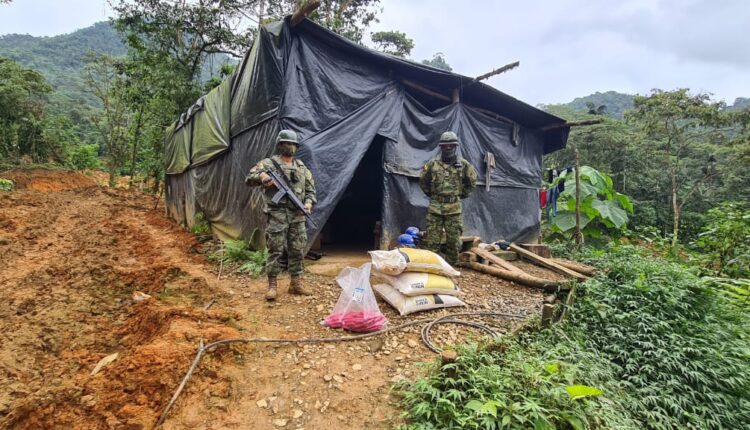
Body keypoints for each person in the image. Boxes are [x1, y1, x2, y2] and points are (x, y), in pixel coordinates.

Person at [245, 129, 316, 301]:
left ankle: (296, 283)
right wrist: (262, 178)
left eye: (292, 144)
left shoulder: (301, 167)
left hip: (297, 214)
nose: (290, 147)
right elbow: (249, 177)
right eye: (286, 143)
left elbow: (311, 191)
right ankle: (272, 285)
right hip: (277, 213)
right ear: (280, 145)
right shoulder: (269, 164)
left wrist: (307, 203)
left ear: (296, 147)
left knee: (297, 249)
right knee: (275, 248)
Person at [418, 131, 478, 266]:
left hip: (454, 209)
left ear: (455, 146)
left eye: (451, 145)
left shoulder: (464, 165)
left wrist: (460, 195)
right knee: (432, 241)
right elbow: (423, 181)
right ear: (441, 147)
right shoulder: (432, 164)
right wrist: (433, 195)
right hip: (435, 208)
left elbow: (472, 182)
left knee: (453, 241)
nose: (448, 148)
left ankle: (451, 267)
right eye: (445, 146)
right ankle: (433, 267)